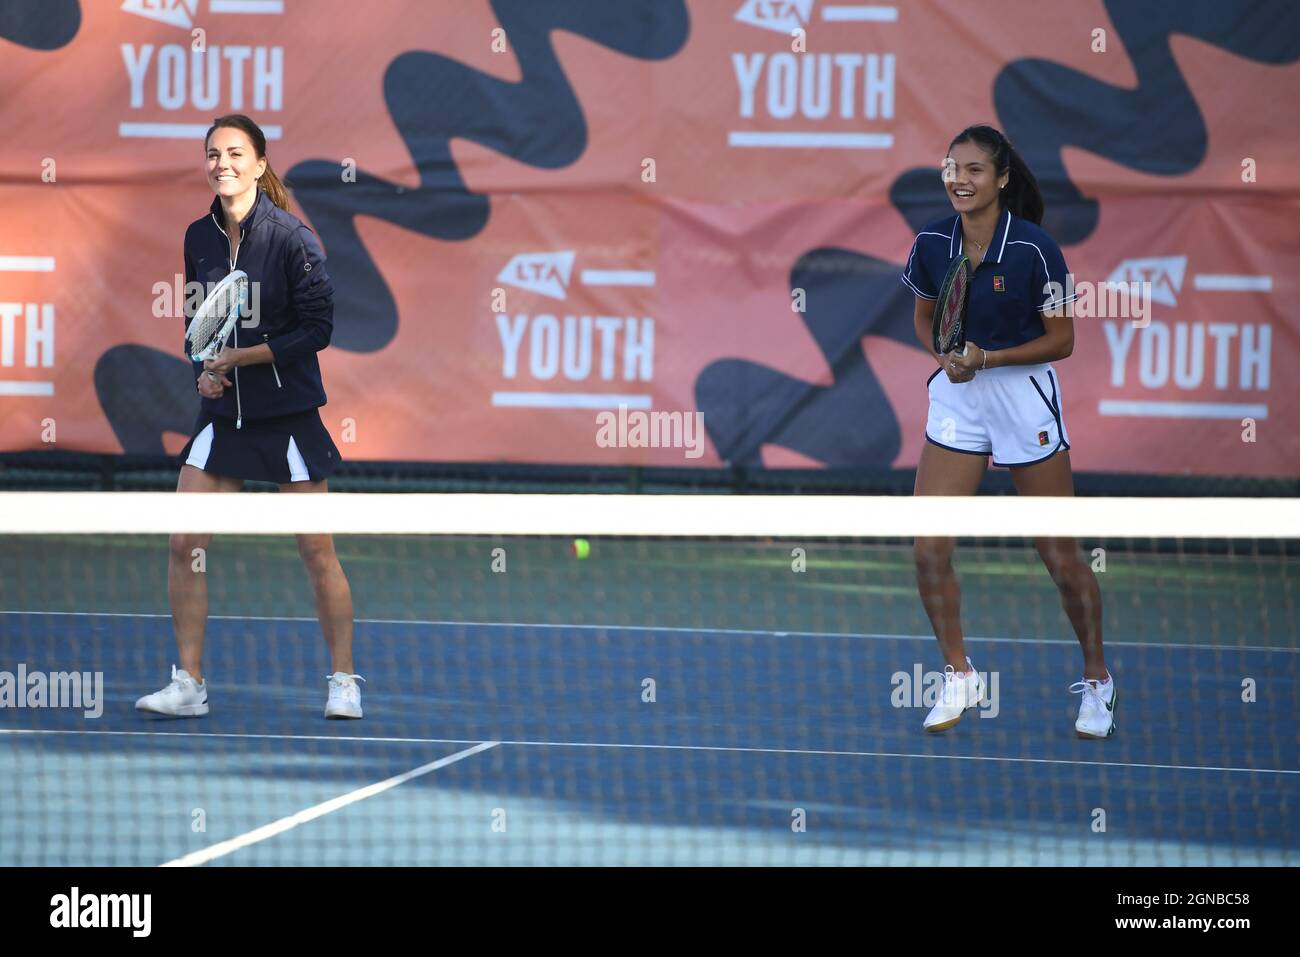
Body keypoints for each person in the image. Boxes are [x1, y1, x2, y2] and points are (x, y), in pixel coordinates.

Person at [135, 114, 363, 720]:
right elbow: (198, 322)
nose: (222, 163)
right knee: (185, 542)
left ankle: (343, 680)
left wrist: (248, 356)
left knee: (317, 551)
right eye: (213, 154)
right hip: (223, 417)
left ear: (259, 164)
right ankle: (189, 683)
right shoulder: (198, 236)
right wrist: (205, 372)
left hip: (286, 414)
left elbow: (318, 329)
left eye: (235, 153)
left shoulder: (293, 238)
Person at [901, 124, 1113, 738]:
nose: (958, 179)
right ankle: (958, 671)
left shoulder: (1036, 249)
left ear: (1000, 180)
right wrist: (944, 356)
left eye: (972, 170)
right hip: (958, 399)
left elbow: (1063, 340)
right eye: (951, 168)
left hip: (1022, 395)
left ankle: (1097, 681)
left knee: (1058, 554)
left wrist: (986, 358)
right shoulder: (931, 244)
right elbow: (922, 318)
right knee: (927, 546)